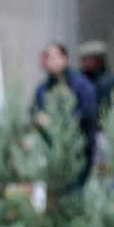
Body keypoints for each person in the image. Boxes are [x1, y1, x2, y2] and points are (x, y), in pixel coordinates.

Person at [32, 42, 98, 185]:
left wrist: (58, 122)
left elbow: (88, 113)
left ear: (65, 58)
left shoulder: (81, 85)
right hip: (52, 153)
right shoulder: (43, 89)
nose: (50, 61)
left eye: (54, 56)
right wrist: (38, 119)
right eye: (47, 57)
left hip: (79, 151)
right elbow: (34, 111)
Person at [77, 40, 114, 114]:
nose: (84, 62)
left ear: (98, 60)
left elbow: (109, 110)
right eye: (83, 59)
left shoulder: (108, 82)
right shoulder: (82, 79)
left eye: (88, 58)